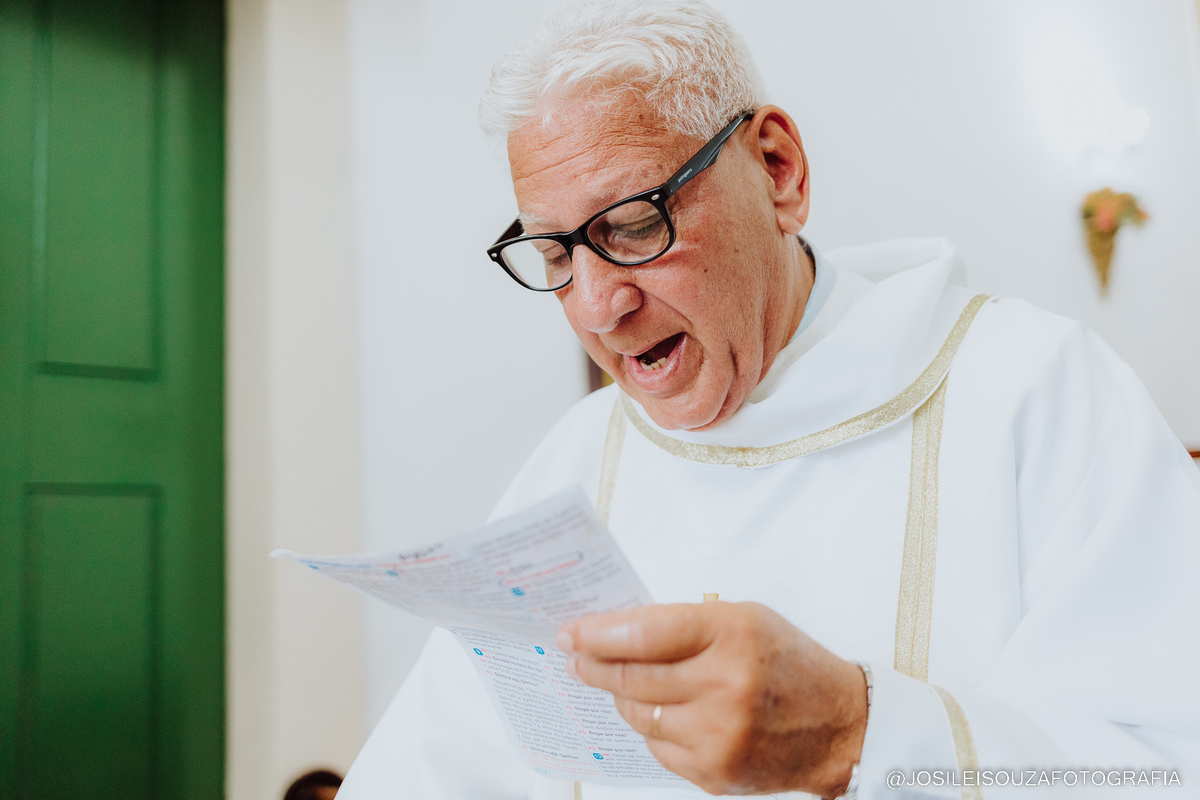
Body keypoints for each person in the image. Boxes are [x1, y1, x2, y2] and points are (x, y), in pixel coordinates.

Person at [339, 1, 1200, 798]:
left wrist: (857, 734)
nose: (600, 305)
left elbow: (1167, 766)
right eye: (556, 253)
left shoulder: (1037, 396)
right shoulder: (572, 465)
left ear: (778, 170)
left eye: (634, 224)